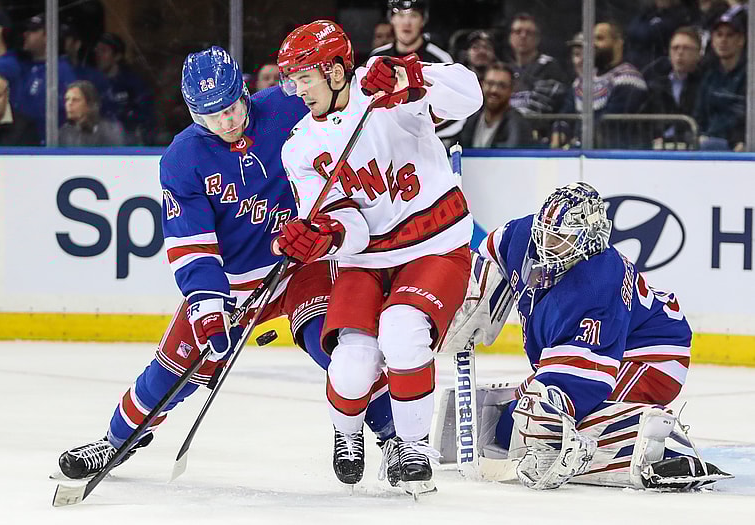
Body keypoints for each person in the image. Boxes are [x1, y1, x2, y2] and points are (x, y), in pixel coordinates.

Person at [57, 47, 398, 486]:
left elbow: (342, 89)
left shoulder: (286, 105)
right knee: (175, 367)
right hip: (233, 286)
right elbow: (192, 244)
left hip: (302, 263)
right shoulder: (182, 159)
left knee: (330, 343)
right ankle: (113, 441)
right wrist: (207, 305)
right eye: (211, 115)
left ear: (245, 90)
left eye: (232, 107)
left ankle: (393, 438)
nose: (226, 122)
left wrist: (381, 82)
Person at [276, 20, 481, 495]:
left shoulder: (385, 85)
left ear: (333, 70)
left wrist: (415, 76)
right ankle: (347, 434)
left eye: (304, 77)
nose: (296, 89)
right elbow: (349, 227)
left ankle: (413, 446)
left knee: (403, 333)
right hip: (367, 259)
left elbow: (469, 96)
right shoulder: (300, 147)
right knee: (351, 364)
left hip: (435, 244)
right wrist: (322, 238)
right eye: (292, 79)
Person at [444, 181, 730, 491]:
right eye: (546, 236)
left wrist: (535, 415)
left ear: (589, 243)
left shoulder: (596, 284)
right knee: (521, 417)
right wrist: (470, 294)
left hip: (652, 353)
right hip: (605, 346)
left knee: (537, 420)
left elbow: (579, 383)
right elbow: (485, 254)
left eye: (561, 242)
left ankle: (658, 449)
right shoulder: (524, 235)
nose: (547, 249)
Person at [370, 0, 462, 141]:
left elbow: (456, 110)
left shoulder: (440, 59)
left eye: (413, 16)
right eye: (400, 15)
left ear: (423, 20)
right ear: (392, 19)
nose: (406, 22)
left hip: (427, 146)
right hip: (385, 145)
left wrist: (423, 137)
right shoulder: (377, 58)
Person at [552, 22, 649, 149]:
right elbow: (566, 113)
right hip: (580, 151)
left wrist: (578, 141)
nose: (593, 45)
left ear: (618, 43)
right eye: (591, 40)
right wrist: (559, 132)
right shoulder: (582, 80)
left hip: (613, 154)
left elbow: (610, 124)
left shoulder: (629, 79)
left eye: (600, 39)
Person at [18, 15, 77, 144]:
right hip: (24, 145)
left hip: (50, 147)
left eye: (33, 31)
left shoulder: (61, 71)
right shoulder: (25, 68)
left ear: (47, 36)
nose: (26, 34)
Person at [694, 10, 747, 151]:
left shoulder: (750, 76)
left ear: (741, 40)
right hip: (708, 143)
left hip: (739, 147)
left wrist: (740, 140)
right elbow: (699, 115)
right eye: (719, 35)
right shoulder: (709, 76)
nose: (723, 40)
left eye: (730, 35)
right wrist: (700, 135)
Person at [648, 27, 704, 149]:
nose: (680, 52)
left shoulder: (705, 84)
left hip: (692, 147)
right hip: (659, 147)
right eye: (675, 48)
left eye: (686, 48)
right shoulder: (656, 85)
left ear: (699, 53)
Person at [94, 32, 154, 145]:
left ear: (118, 56)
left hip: (128, 142)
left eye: (104, 50)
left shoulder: (133, 83)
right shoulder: (93, 83)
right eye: (97, 50)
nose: (98, 55)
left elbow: (146, 116)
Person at [456, 62, 534, 149]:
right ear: (482, 85)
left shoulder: (518, 125)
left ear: (512, 89)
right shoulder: (470, 119)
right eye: (490, 83)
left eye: (502, 86)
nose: (494, 90)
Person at [624, 0, 693, 71]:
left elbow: (646, 33)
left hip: (654, 69)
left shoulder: (678, 16)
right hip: (630, 64)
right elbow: (631, 29)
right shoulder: (648, 12)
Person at [59, 80, 125, 146]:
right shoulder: (64, 132)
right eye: (67, 99)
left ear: (90, 104)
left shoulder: (109, 132)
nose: (69, 104)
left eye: (75, 100)